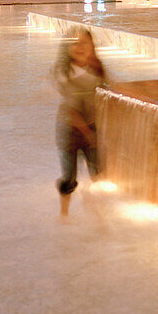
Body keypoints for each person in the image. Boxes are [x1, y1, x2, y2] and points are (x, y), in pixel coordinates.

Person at [53, 30, 106, 217]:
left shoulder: (97, 68)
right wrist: (88, 134)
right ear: (66, 48)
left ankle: (95, 205)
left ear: (92, 46)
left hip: (91, 126)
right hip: (69, 131)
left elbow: (109, 88)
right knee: (70, 177)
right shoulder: (64, 73)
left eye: (84, 43)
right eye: (74, 43)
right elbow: (71, 109)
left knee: (99, 172)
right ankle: (64, 214)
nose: (80, 47)